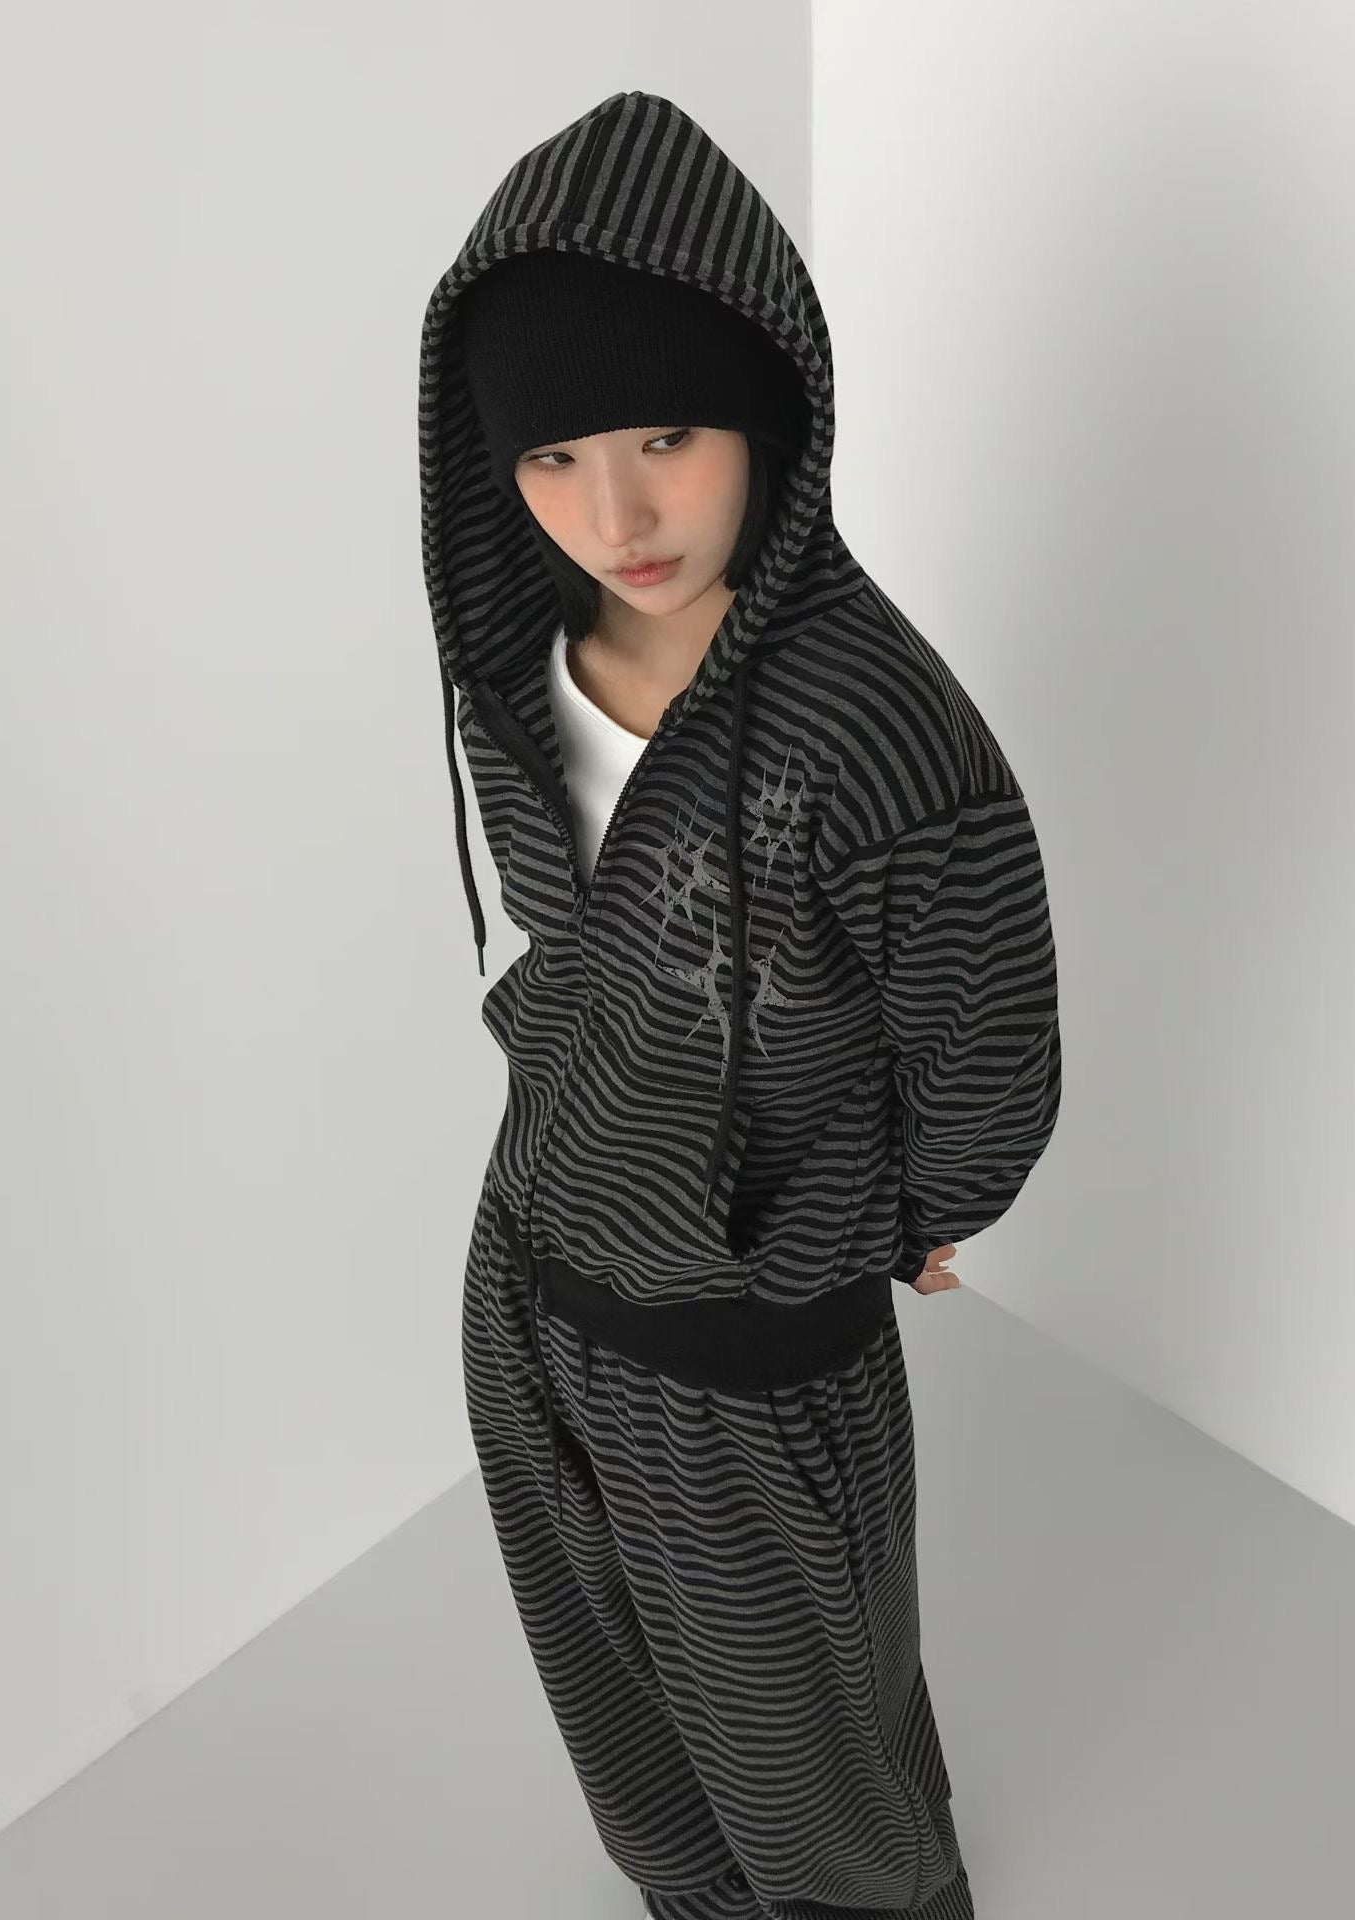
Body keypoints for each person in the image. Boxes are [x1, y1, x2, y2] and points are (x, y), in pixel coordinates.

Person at [418, 89, 1061, 1920]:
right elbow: (577, 948)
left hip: (747, 1349)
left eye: (667, 438)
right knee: (623, 1709)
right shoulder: (521, 659)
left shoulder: (881, 732)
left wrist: (922, 1209)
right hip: (530, 1276)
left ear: (765, 406)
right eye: (554, 458)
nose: (613, 513)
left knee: (806, 1737)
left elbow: (986, 1022)